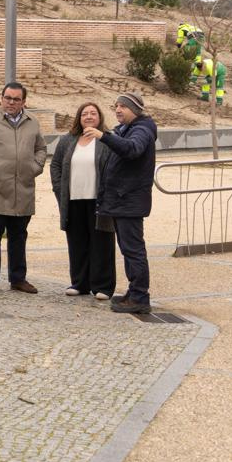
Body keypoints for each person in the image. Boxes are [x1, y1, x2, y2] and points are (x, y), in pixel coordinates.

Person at [0, 82, 47, 293]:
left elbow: (41, 148)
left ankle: (18, 279)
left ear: (23, 102)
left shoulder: (32, 122)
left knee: (19, 236)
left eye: (16, 99)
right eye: (8, 98)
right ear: (1, 98)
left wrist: (36, 166)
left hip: (22, 191)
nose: (11, 102)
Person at [89, 92, 158, 314]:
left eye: (123, 107)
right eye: (116, 106)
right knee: (129, 250)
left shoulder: (142, 129)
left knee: (134, 250)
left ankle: (140, 297)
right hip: (121, 201)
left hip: (129, 201)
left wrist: (104, 136)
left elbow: (131, 150)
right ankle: (134, 292)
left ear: (135, 110)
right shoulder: (126, 128)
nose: (118, 110)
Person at [50, 101, 116, 301]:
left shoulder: (107, 140)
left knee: (102, 243)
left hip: (99, 200)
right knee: (77, 242)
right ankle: (80, 283)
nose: (88, 116)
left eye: (93, 113)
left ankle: (103, 286)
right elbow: (55, 166)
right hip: (73, 200)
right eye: (84, 113)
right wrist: (60, 189)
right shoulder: (67, 140)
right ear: (79, 118)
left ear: (99, 118)